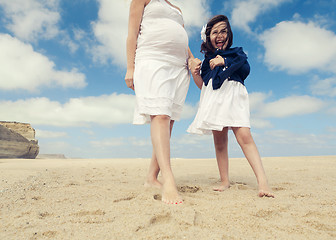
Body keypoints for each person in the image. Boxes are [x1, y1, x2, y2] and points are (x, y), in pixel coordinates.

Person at [188, 15, 274, 198]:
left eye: (223, 31)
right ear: (208, 37)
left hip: (234, 97)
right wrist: (195, 73)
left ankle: (263, 182)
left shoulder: (237, 54)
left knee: (244, 136)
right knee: (219, 142)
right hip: (214, 100)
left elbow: (244, 67)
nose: (219, 35)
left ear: (229, 34)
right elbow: (204, 85)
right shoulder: (207, 61)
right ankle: (224, 180)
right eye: (215, 32)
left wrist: (224, 61)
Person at [125, 0, 193, 204]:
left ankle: (151, 178)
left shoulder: (177, 9)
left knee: (167, 122)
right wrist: (130, 67)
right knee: (160, 115)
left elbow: (182, 41)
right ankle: (169, 180)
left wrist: (191, 59)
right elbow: (132, 34)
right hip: (153, 58)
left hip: (179, 67)